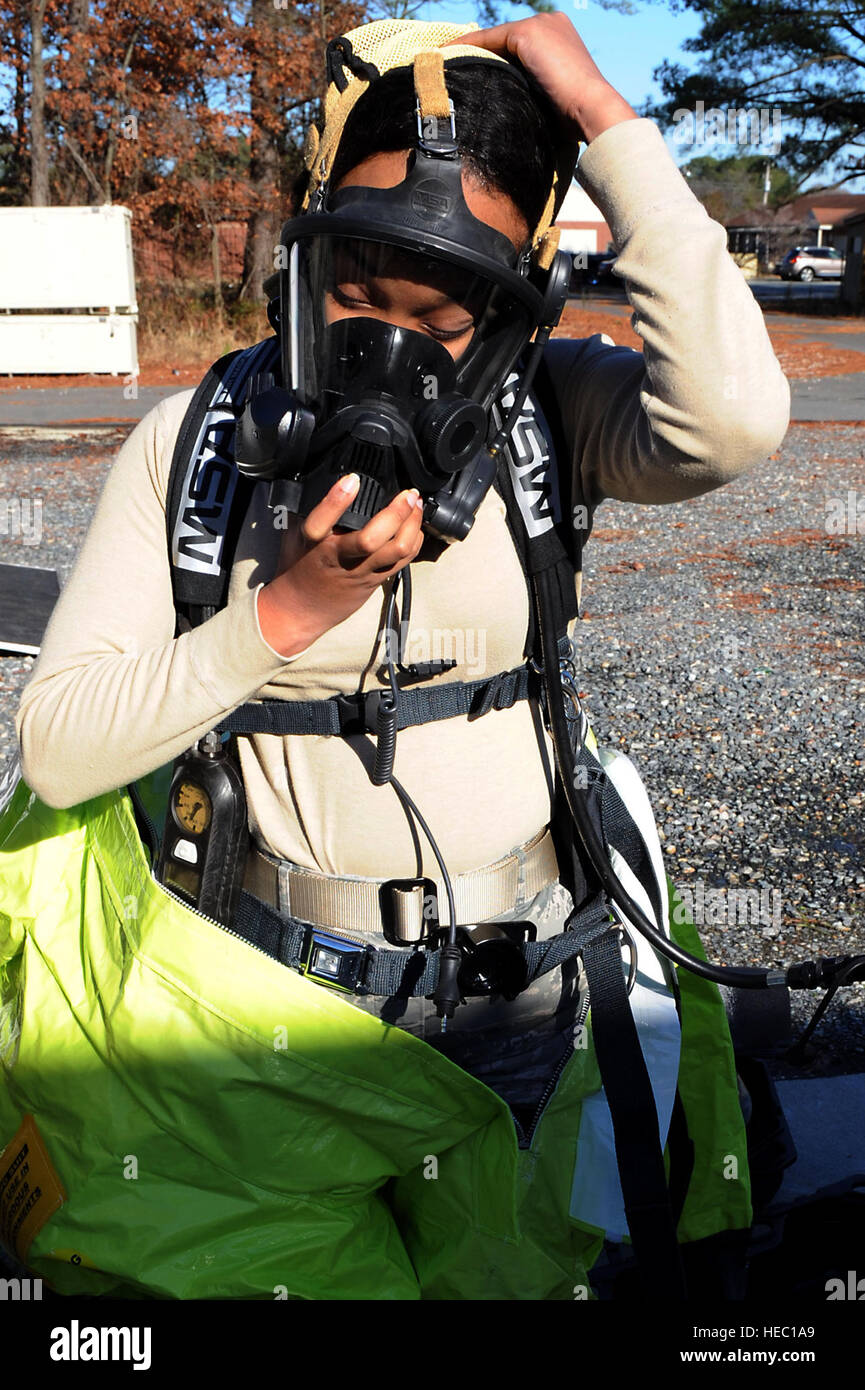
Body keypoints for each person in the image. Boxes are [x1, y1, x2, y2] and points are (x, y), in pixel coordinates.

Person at [6, 14, 790, 1300]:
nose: (390, 351)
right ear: (300, 255)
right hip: (261, 1020)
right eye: (356, 294)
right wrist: (281, 615)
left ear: (510, 314)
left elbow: (738, 418)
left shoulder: (551, 415)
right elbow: (61, 739)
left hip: (522, 998)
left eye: (442, 314)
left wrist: (603, 120)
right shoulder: (190, 444)